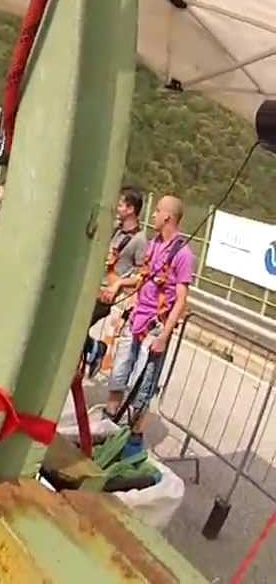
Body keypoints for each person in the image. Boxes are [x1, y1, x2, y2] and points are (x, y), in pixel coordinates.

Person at [103, 195, 195, 456]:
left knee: (141, 386)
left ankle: (133, 439)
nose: (153, 215)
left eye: (157, 211)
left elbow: (180, 300)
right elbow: (145, 279)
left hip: (154, 327)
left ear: (168, 216)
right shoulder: (153, 244)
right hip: (136, 319)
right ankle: (109, 423)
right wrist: (121, 283)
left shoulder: (183, 254)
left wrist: (164, 336)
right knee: (119, 375)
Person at [84, 187, 149, 376]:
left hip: (107, 294)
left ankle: (96, 348)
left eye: (121, 204)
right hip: (93, 287)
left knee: (75, 331)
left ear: (130, 209)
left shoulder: (139, 240)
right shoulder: (115, 230)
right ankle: (91, 349)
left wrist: (119, 284)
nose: (117, 208)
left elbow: (141, 276)